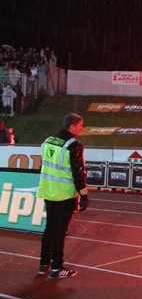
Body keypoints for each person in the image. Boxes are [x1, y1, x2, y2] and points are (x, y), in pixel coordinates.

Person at [37, 113, 89, 279]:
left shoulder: (48, 141)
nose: (82, 128)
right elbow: (78, 172)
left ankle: (44, 264)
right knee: (60, 231)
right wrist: (84, 195)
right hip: (65, 194)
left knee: (49, 228)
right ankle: (57, 268)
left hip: (48, 191)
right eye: (80, 125)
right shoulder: (74, 145)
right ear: (72, 126)